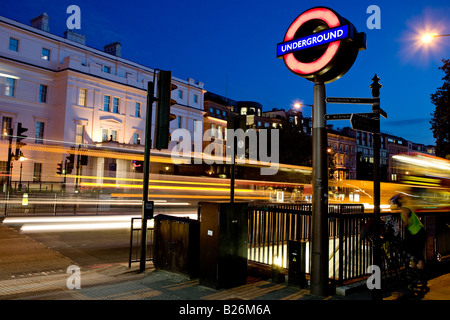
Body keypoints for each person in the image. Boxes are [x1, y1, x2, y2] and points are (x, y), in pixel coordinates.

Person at [389, 194, 427, 288]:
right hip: (419, 232)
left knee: (416, 254)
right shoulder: (406, 208)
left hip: (417, 233)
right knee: (417, 255)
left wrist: (399, 226)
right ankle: (416, 275)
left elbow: (407, 223)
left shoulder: (404, 210)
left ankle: (419, 277)